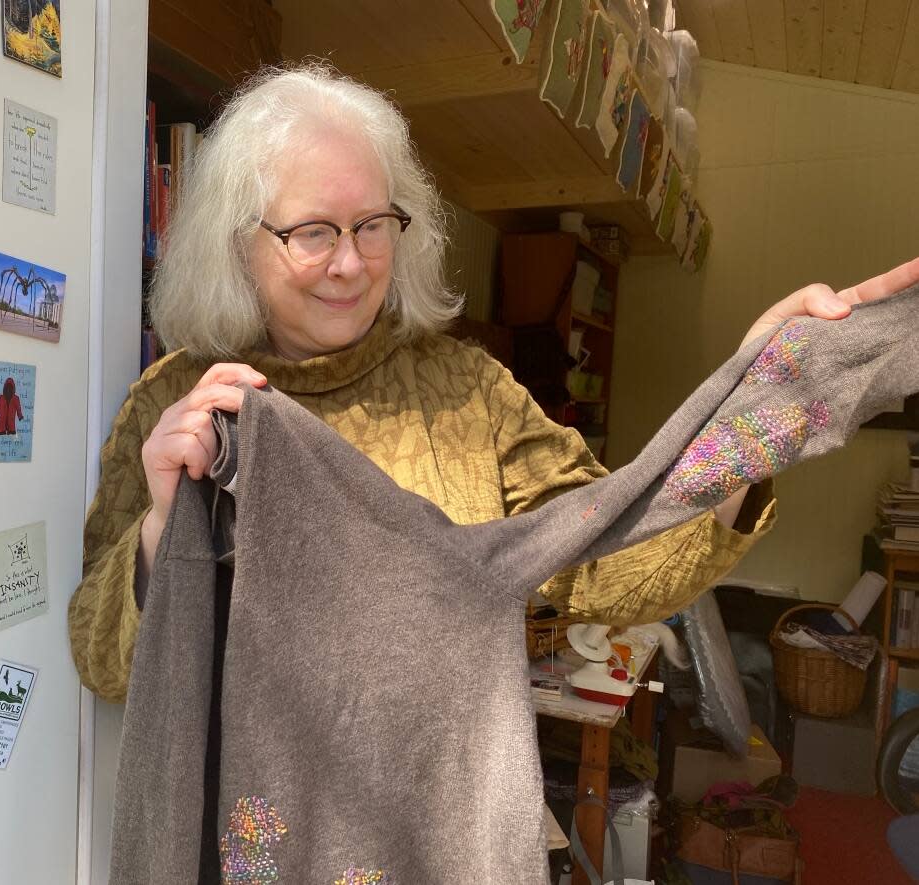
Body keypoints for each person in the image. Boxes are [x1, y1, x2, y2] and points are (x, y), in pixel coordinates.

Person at [67, 61, 918, 708]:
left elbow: (613, 563)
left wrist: (755, 407)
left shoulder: (467, 393)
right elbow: (104, 668)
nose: (352, 262)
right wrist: (157, 530)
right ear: (237, 241)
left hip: (439, 830)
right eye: (314, 231)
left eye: (373, 225)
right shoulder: (170, 407)